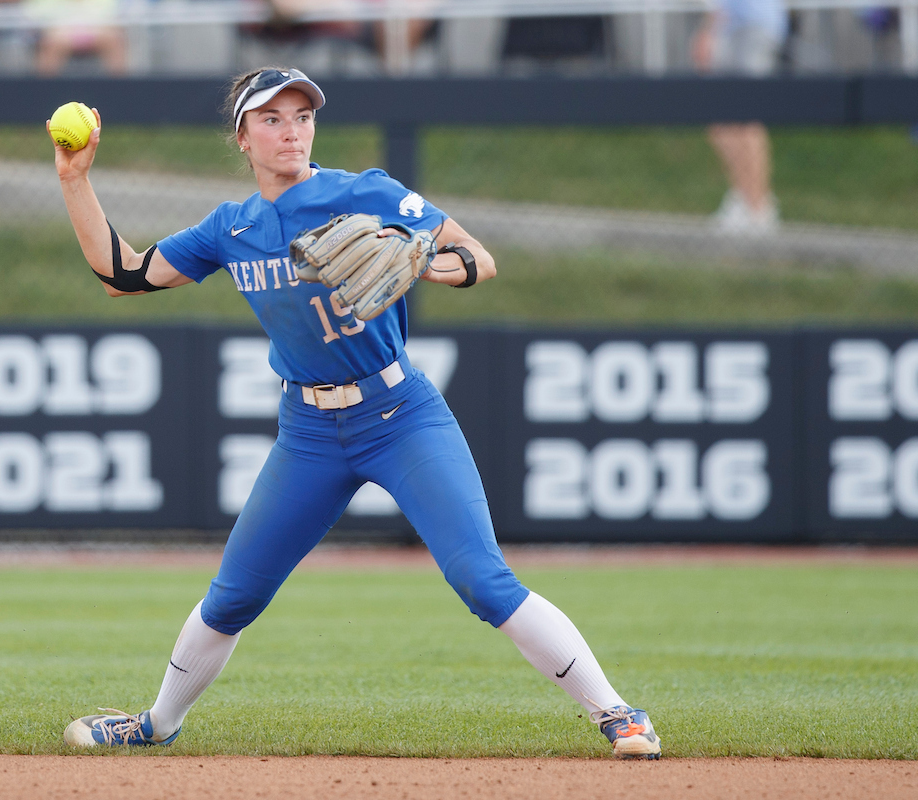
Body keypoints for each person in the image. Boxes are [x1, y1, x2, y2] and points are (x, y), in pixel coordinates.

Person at [51, 67, 663, 760]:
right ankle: (156, 723)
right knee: (232, 598)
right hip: (308, 433)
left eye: (302, 116)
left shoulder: (365, 192)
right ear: (243, 137)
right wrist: (75, 180)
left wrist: (422, 260)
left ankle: (619, 714)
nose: (292, 130)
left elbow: (478, 259)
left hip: (400, 414)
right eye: (273, 119)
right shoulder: (232, 229)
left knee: (482, 581)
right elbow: (124, 276)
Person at [692, 0, 787, 234]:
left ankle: (757, 207)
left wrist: (708, 29)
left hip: (746, 26)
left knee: (743, 118)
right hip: (739, 26)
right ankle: (748, 199)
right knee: (723, 120)